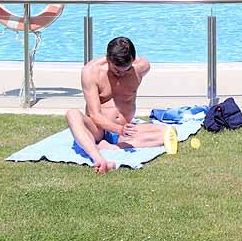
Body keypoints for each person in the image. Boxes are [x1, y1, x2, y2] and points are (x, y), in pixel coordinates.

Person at [65, 36, 168, 174]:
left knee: (167, 133)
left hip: (124, 133)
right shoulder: (91, 72)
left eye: (126, 70)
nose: (121, 74)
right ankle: (99, 159)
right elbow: (95, 115)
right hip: (97, 130)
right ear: (108, 59)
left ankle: (112, 148)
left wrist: (122, 131)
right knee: (72, 114)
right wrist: (118, 129)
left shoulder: (142, 67)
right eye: (117, 70)